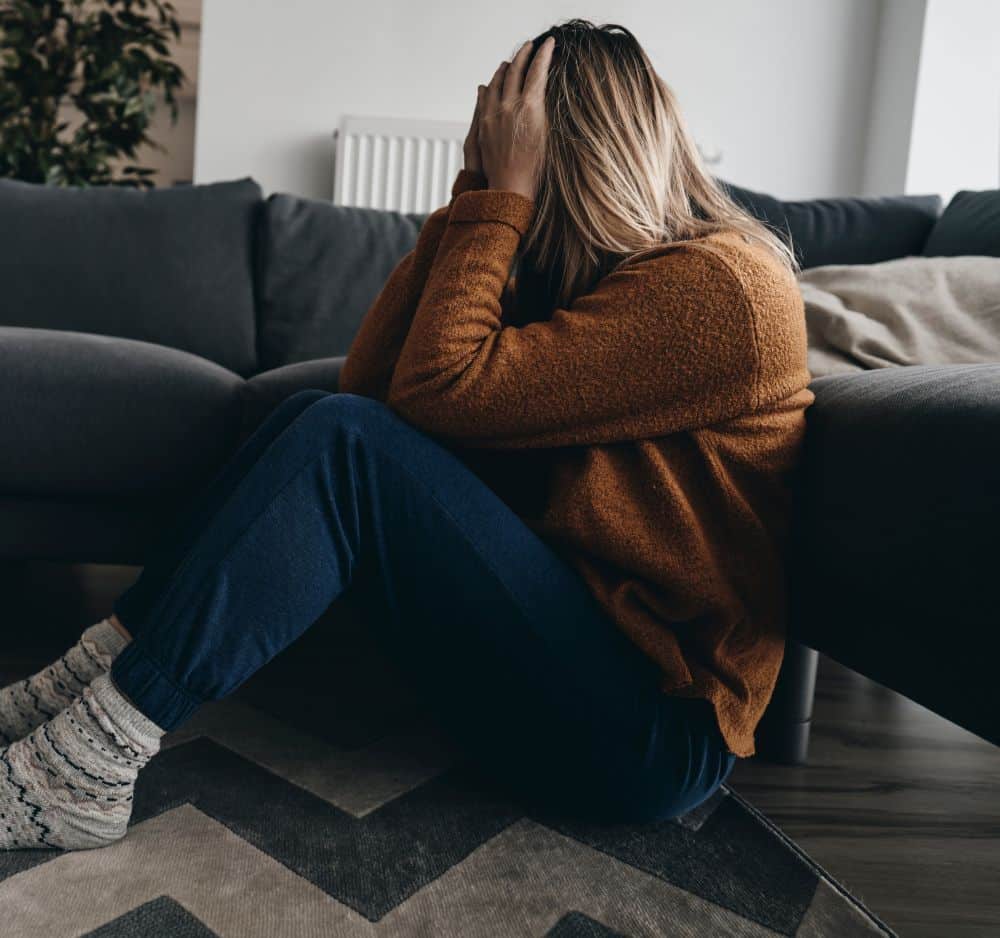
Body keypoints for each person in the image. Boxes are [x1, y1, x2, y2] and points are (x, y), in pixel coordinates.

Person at [0, 19, 813, 851]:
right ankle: (85, 686)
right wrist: (471, 190)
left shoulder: (722, 289)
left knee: (344, 443)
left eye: (515, 148)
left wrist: (501, 200)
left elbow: (430, 393)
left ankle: (86, 769)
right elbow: (373, 382)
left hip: (651, 731)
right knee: (316, 420)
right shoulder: (599, 284)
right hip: (568, 676)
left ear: (576, 155)